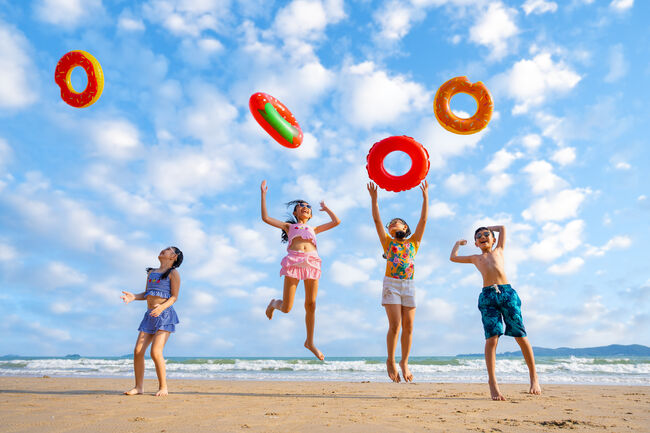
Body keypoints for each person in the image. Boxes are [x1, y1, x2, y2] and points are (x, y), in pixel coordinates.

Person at [450, 226, 541, 400]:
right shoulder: (475, 258)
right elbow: (453, 257)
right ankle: (493, 383)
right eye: (479, 236)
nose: (483, 237)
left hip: (507, 294)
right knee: (492, 339)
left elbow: (502, 228)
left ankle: (534, 378)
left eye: (486, 235)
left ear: (493, 239)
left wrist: (490, 229)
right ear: (476, 243)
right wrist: (458, 243)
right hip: (488, 297)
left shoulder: (499, 250)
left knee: (521, 336)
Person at [260, 180, 340, 360]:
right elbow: (265, 218)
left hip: (311, 262)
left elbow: (336, 221)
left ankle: (310, 342)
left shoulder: (314, 228)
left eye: (308, 206)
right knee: (287, 308)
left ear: (310, 215)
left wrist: (326, 209)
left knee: (311, 304)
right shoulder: (289, 227)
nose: (304, 207)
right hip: (294, 262)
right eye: (300, 206)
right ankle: (274, 303)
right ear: (295, 212)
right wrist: (263, 195)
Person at [367, 181, 428, 383]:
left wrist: (425, 197)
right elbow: (377, 221)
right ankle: (391, 360)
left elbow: (423, 219)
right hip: (391, 284)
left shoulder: (414, 242)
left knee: (409, 327)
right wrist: (374, 199)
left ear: (406, 228)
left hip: (409, 285)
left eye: (398, 222)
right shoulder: (388, 242)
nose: (393, 224)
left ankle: (404, 362)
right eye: (391, 223)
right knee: (395, 325)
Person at [120, 246, 183, 396]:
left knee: (155, 352)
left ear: (174, 257)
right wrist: (134, 296)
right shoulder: (151, 273)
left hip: (165, 315)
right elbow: (147, 293)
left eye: (168, 250)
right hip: (149, 316)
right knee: (138, 351)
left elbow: (174, 297)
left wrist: (161, 308)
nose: (164, 250)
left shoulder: (173, 273)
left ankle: (163, 387)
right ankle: (138, 387)